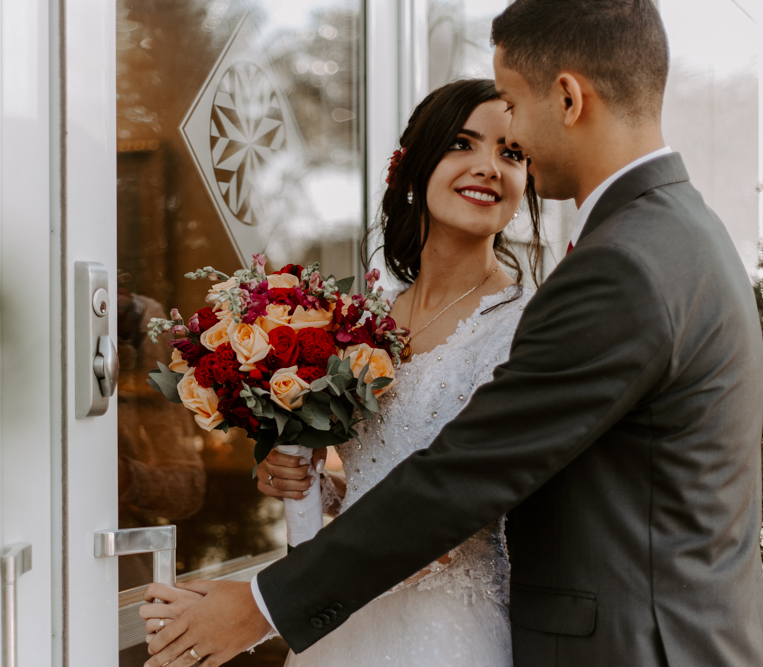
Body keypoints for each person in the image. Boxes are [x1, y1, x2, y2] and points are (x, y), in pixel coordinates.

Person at [141, 1, 763, 665]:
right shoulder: (674, 232)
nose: (503, 152)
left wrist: (258, 607)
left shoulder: (622, 262)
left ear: (568, 97)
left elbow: (466, 478)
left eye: (513, 118)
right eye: (464, 142)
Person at [141, 77, 542, 665]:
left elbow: (454, 516)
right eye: (463, 143)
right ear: (412, 165)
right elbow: (377, 485)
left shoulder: (526, 326)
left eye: (511, 153)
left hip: (447, 634)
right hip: (335, 628)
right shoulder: (361, 321)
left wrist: (262, 605)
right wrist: (311, 484)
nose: (488, 166)